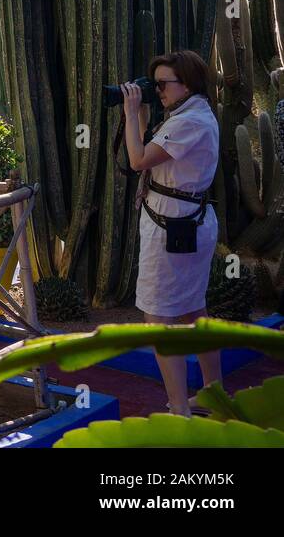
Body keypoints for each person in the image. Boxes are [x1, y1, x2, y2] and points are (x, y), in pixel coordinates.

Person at [121, 50, 222, 416]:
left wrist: (131, 114)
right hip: (186, 221)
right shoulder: (190, 113)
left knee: (160, 318)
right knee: (194, 311)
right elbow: (150, 152)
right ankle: (214, 393)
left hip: (173, 227)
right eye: (156, 84)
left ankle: (179, 408)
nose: (158, 90)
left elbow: (137, 161)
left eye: (164, 84)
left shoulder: (187, 122)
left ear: (188, 84)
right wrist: (144, 116)